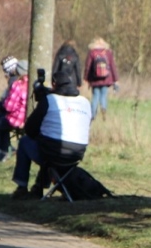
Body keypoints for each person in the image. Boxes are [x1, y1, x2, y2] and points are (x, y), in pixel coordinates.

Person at [10, 71, 92, 199]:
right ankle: (39, 186)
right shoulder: (85, 102)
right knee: (49, 144)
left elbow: (30, 129)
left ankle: (22, 187)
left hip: (52, 153)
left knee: (27, 142)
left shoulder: (50, 100)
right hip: (76, 154)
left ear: (54, 84)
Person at [0, 56, 29, 163]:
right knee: (0, 124)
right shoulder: (32, 83)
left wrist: (2, 103)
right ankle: (4, 151)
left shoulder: (18, 84)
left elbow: (9, 107)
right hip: (27, 117)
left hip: (17, 119)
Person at [83, 37, 119, 121]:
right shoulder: (108, 52)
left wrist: (86, 78)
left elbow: (88, 67)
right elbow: (112, 66)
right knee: (103, 95)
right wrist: (116, 79)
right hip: (106, 79)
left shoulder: (92, 53)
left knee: (95, 96)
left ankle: (93, 114)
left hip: (95, 79)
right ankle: (103, 108)